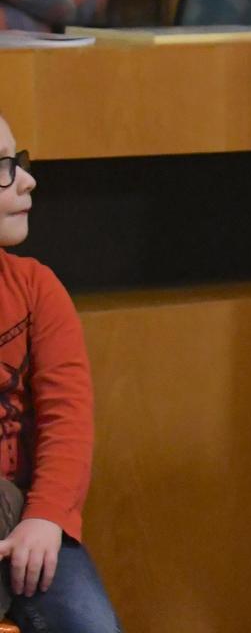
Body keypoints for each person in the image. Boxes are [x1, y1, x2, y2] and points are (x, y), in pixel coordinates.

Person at [0, 115, 124, 631]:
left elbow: (67, 420)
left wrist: (45, 517)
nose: (27, 179)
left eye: (18, 162)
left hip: (30, 512)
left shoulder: (36, 289)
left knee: (90, 624)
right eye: (3, 169)